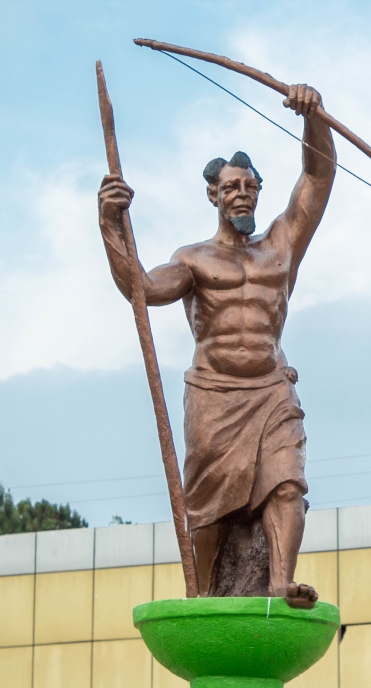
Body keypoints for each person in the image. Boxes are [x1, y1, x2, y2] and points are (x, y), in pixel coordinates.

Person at [97, 84, 334, 608]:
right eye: (231, 185)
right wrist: (110, 223)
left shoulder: (281, 245)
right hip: (215, 396)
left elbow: (317, 177)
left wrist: (313, 115)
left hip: (271, 389)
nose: (242, 192)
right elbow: (142, 288)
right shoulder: (194, 259)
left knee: (288, 484)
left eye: (250, 185)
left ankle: (280, 582)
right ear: (213, 194)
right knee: (208, 510)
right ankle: (203, 593)